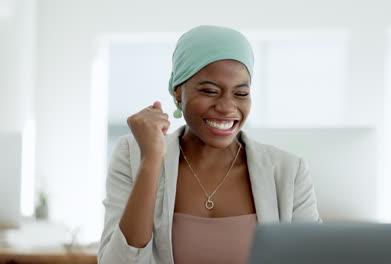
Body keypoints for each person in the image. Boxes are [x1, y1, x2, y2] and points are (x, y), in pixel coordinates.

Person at [98, 25, 321, 264]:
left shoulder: (288, 170)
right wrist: (151, 160)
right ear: (177, 92)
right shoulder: (132, 154)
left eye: (241, 94)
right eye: (210, 91)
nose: (227, 107)